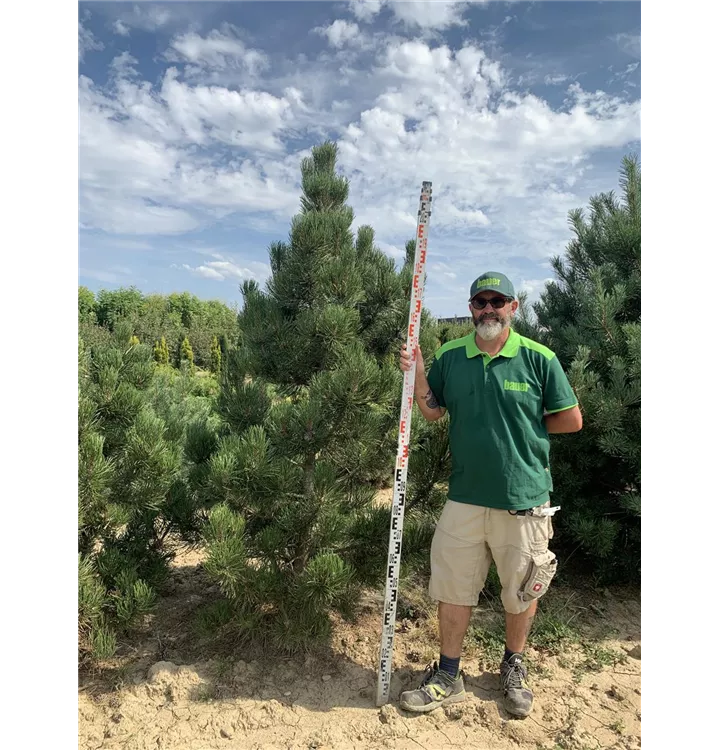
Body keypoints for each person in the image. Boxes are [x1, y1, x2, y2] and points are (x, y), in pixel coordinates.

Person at [397, 271, 582, 718]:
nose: (488, 309)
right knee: (454, 589)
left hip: (523, 498)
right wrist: (419, 371)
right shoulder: (451, 356)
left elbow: (570, 419)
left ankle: (513, 667)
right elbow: (432, 411)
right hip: (464, 497)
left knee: (521, 591)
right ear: (470, 308)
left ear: (513, 308)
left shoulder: (539, 359)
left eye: (497, 301)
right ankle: (448, 674)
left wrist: (527, 430)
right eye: (480, 302)